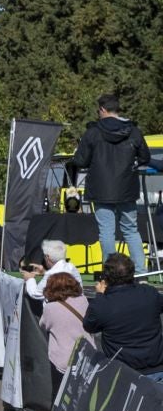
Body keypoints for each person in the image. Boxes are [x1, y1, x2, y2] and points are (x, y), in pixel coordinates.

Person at [75, 92, 152, 276]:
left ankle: (111, 274)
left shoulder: (93, 132)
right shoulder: (133, 131)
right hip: (126, 188)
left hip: (101, 190)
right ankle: (141, 273)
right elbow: (145, 157)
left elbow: (80, 160)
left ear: (102, 109)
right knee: (131, 230)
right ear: (117, 109)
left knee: (106, 232)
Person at [83, 251, 163, 374]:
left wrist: (99, 295)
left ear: (106, 277)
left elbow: (89, 325)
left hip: (124, 373)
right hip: (155, 367)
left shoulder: (103, 304)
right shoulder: (149, 293)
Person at [40, 272, 92, 377]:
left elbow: (43, 324)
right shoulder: (83, 300)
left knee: (58, 392)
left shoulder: (50, 308)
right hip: (86, 356)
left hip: (63, 361)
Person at [26, 239, 80, 303]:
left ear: (47, 257)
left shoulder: (51, 273)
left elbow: (36, 294)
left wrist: (29, 279)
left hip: (57, 310)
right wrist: (44, 272)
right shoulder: (71, 266)